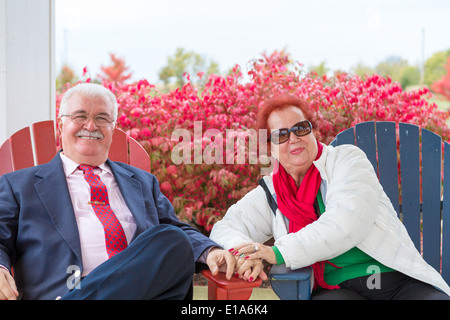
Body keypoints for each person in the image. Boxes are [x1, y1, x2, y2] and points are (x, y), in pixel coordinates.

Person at [0, 83, 235, 300]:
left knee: (174, 239)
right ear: (61, 124)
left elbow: (175, 231)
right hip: (62, 290)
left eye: (102, 118)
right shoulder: (18, 185)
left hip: (141, 293)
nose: (91, 126)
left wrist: (210, 251)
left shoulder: (143, 183)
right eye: (80, 116)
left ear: (113, 128)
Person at [209, 95, 450, 299]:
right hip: (336, 289)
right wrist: (246, 254)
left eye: (300, 128)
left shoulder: (347, 160)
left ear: (313, 132)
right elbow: (226, 227)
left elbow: (345, 222)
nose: (293, 138)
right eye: (280, 135)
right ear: (269, 148)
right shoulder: (272, 192)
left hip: (395, 281)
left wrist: (275, 253)